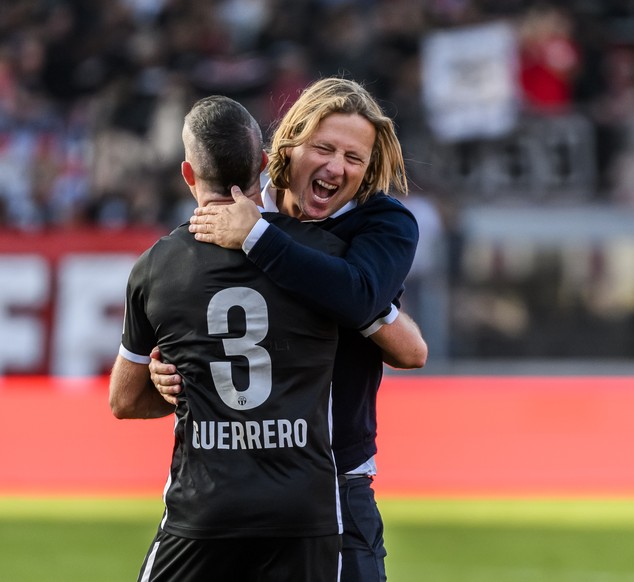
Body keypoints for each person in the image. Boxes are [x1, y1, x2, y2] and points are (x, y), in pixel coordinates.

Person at [150, 77, 425, 582]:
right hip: (226, 479)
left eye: (354, 158)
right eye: (324, 148)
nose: (337, 167)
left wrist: (257, 238)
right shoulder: (239, 205)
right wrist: (162, 368)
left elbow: (362, 296)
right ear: (288, 143)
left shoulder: (381, 223)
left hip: (335, 480)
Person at [109, 95, 345, 582]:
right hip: (304, 512)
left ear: (188, 174)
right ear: (263, 164)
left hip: (205, 510)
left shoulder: (157, 267)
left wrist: (175, 382)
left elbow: (124, 400)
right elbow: (406, 346)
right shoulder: (321, 255)